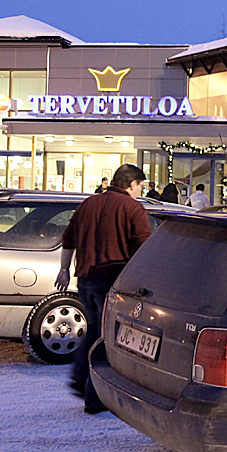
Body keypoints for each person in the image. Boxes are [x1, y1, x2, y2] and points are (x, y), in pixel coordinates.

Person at [56, 163, 152, 404]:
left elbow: (68, 240)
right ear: (132, 184)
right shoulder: (132, 208)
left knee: (95, 331)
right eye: (140, 186)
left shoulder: (88, 204)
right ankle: (91, 392)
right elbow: (146, 247)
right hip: (113, 281)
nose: (141, 191)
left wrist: (64, 270)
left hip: (85, 279)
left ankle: (83, 381)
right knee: (105, 338)